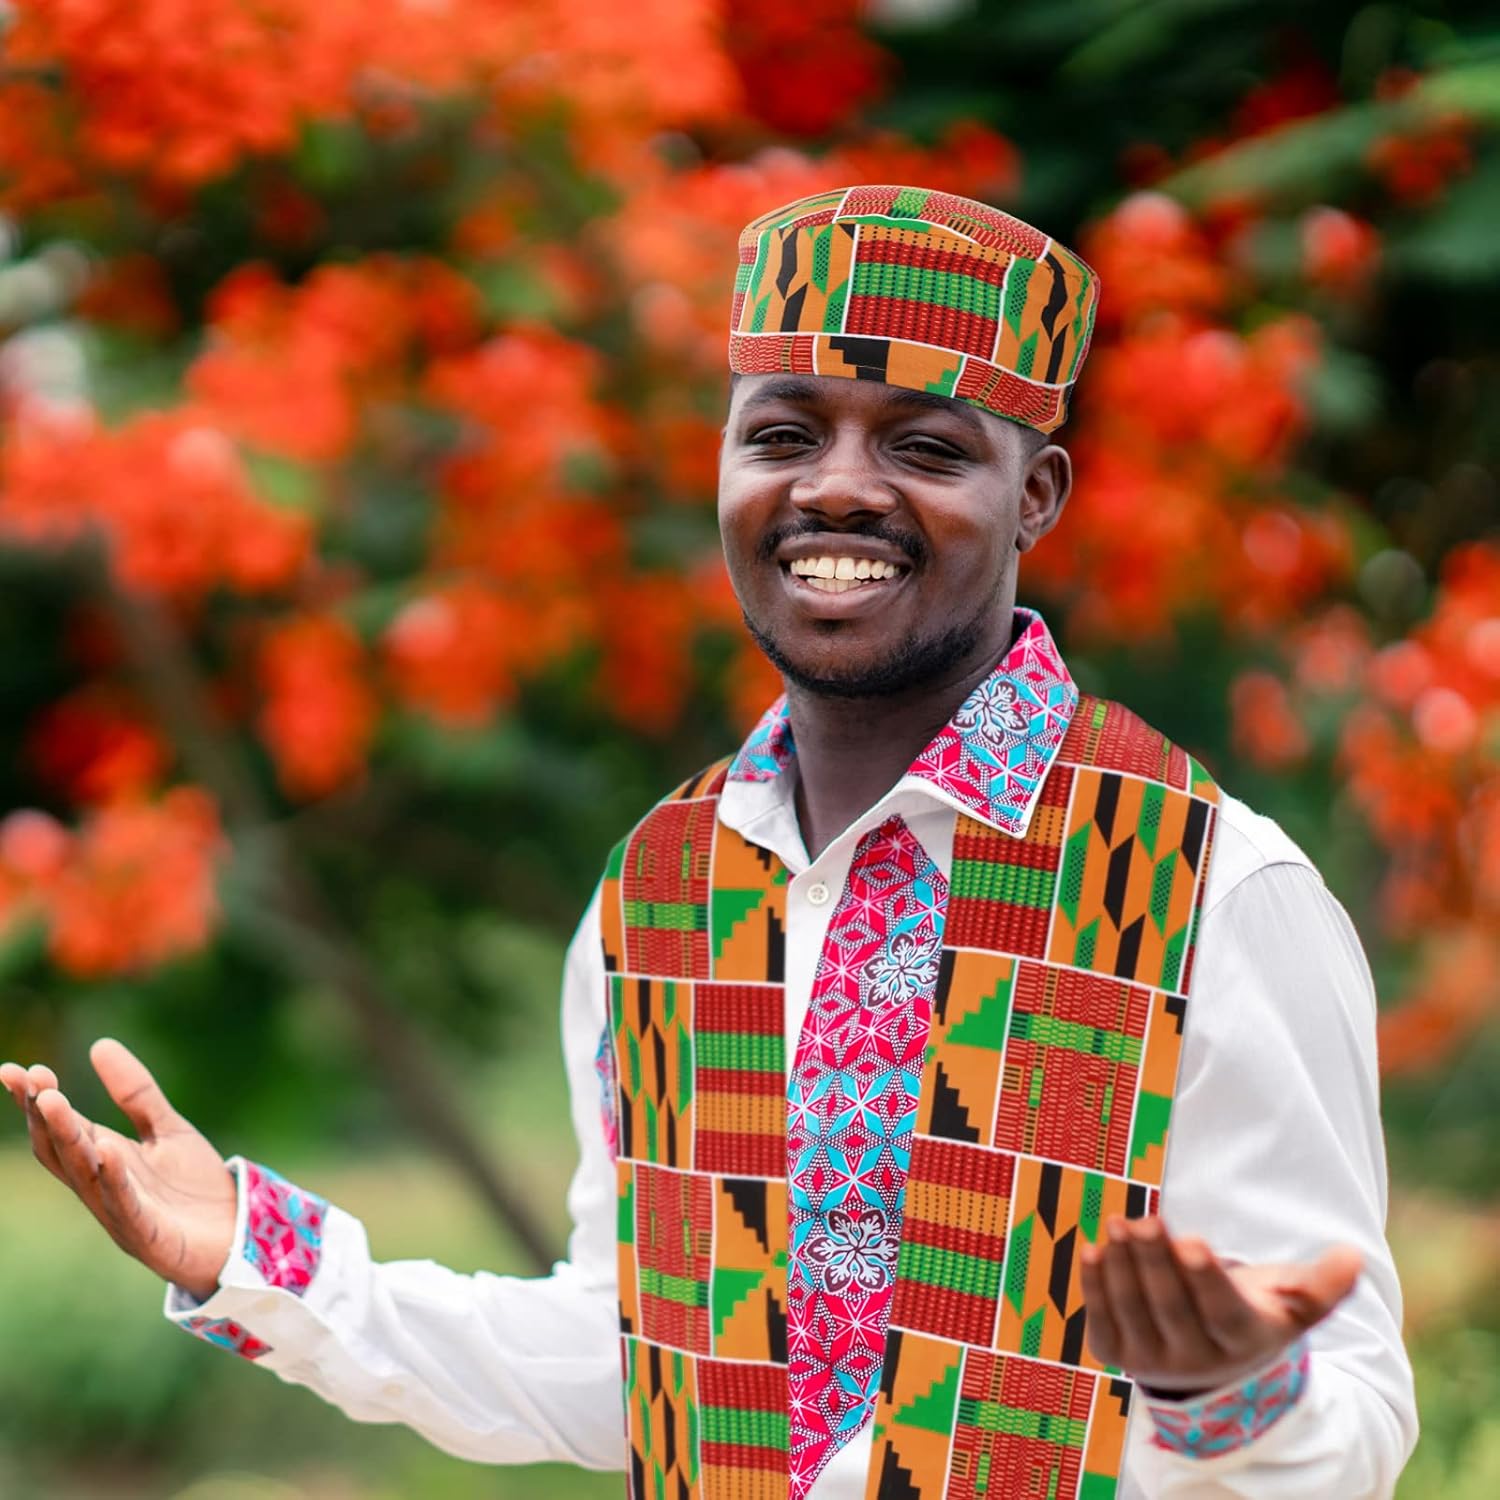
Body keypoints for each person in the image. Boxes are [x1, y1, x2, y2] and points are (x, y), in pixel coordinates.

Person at [2, 186, 1416, 1500]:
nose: (839, 490)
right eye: (784, 433)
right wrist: (259, 1262)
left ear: (1036, 497)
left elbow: (1356, 1416)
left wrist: (1232, 1393)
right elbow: (638, 1363)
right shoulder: (661, 895)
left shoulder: (1208, 890)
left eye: (925, 446)